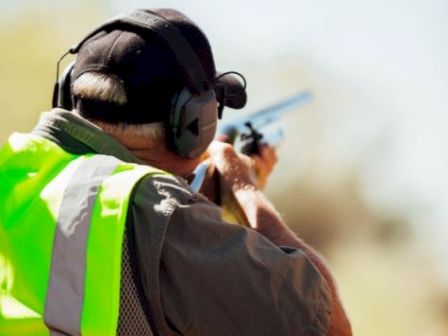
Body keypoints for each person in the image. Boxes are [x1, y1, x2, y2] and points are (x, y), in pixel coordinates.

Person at [0, 8, 352, 336]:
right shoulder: (165, 214)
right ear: (193, 122)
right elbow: (328, 326)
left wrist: (205, 203)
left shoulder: (13, 169)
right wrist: (244, 190)